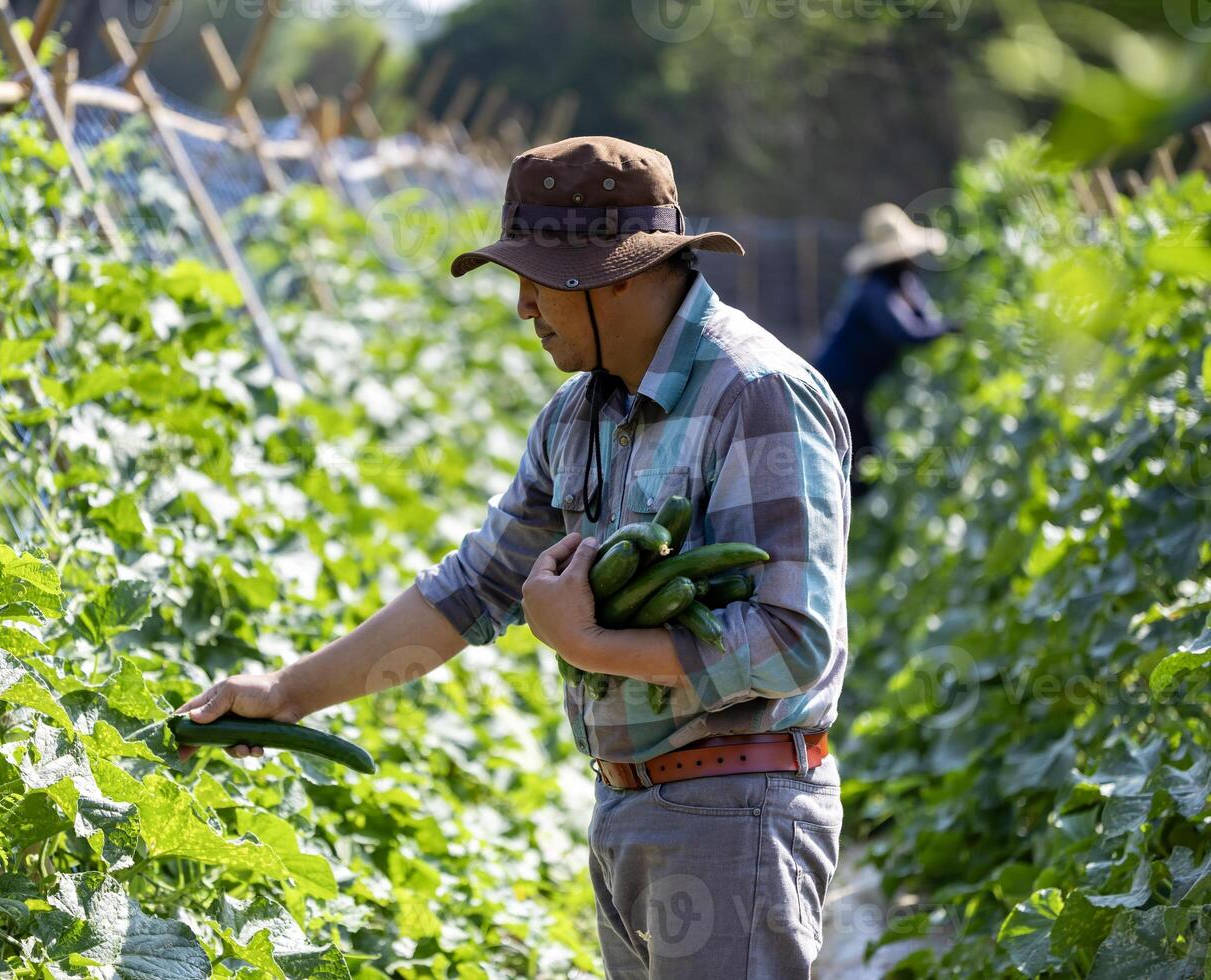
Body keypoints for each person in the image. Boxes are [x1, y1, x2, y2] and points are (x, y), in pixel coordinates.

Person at [179, 136, 852, 978]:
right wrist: (286, 694)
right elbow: (472, 590)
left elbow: (793, 640)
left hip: (733, 811)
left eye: (541, 280)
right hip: (628, 805)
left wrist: (589, 644)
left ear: (620, 273)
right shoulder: (577, 416)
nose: (525, 307)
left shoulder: (754, 395)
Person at [813, 202, 955, 498]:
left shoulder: (903, 283)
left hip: (856, 387)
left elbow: (925, 319)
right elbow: (907, 332)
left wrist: (942, 327)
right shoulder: (873, 292)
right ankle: (856, 527)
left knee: (861, 459)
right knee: (859, 467)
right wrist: (952, 328)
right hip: (840, 387)